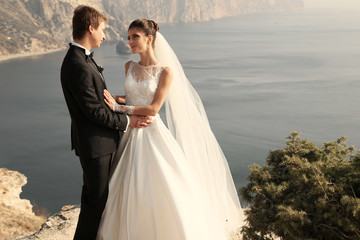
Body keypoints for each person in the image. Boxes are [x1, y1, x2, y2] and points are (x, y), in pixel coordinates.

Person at [96, 19, 244, 240]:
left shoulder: (165, 72)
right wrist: (111, 97)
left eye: (135, 37)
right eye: (128, 37)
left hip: (149, 131)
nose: (130, 42)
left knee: (159, 187)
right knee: (123, 185)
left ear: (149, 38)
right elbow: (134, 97)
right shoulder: (129, 66)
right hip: (129, 132)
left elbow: (154, 108)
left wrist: (118, 107)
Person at [60, 6, 150, 240]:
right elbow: (94, 112)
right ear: (90, 28)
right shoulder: (77, 64)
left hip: (99, 143)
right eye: (102, 29)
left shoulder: (82, 60)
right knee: (95, 202)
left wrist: (120, 102)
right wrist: (128, 120)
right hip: (95, 145)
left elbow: (99, 103)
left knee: (95, 198)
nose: (104, 35)